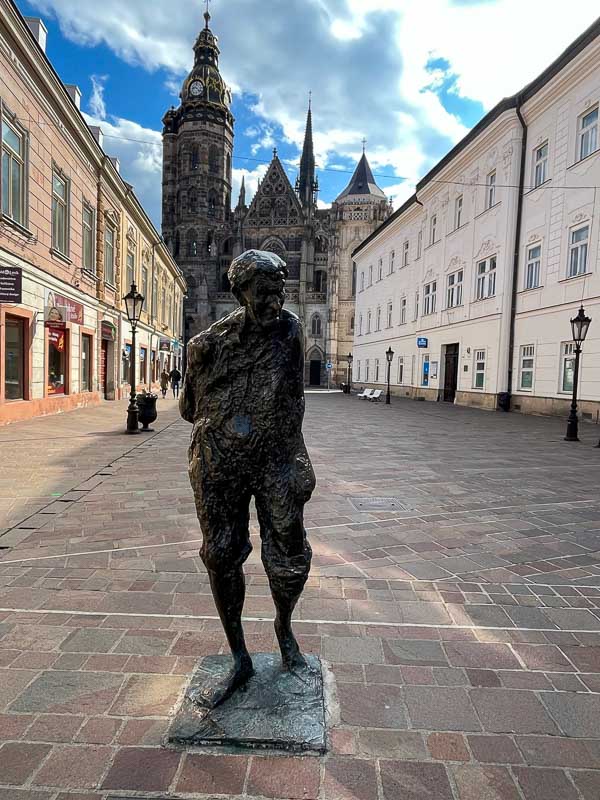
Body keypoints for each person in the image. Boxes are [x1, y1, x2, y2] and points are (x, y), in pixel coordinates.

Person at [180, 250, 316, 709]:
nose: (274, 302)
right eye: (263, 294)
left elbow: (296, 399)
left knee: (290, 553)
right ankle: (239, 658)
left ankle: (284, 629)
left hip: (275, 457)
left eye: (280, 292)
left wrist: (295, 457)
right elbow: (186, 410)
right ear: (240, 294)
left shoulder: (291, 330)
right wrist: (202, 374)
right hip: (220, 459)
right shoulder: (209, 342)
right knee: (221, 554)